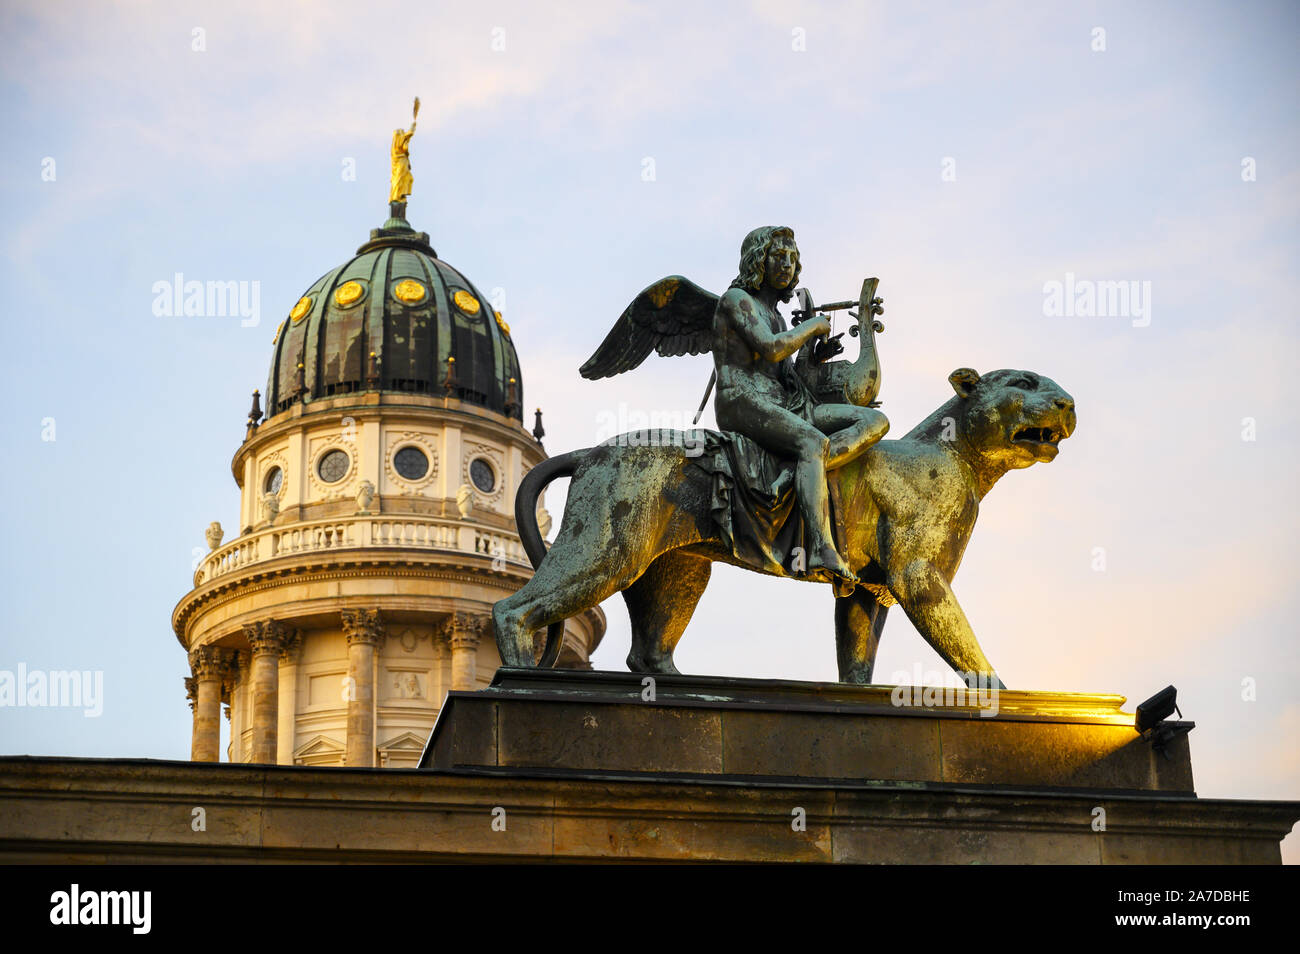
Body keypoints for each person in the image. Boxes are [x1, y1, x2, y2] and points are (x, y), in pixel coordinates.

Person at [713, 226, 889, 591]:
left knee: (874, 421)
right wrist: (811, 327)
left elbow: (787, 372)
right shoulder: (736, 301)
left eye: (793, 259)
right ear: (758, 260)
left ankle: (801, 473)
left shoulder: (775, 314)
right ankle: (822, 548)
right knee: (812, 442)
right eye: (779, 257)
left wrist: (814, 355)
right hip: (743, 402)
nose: (788, 265)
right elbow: (773, 349)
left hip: (782, 402)